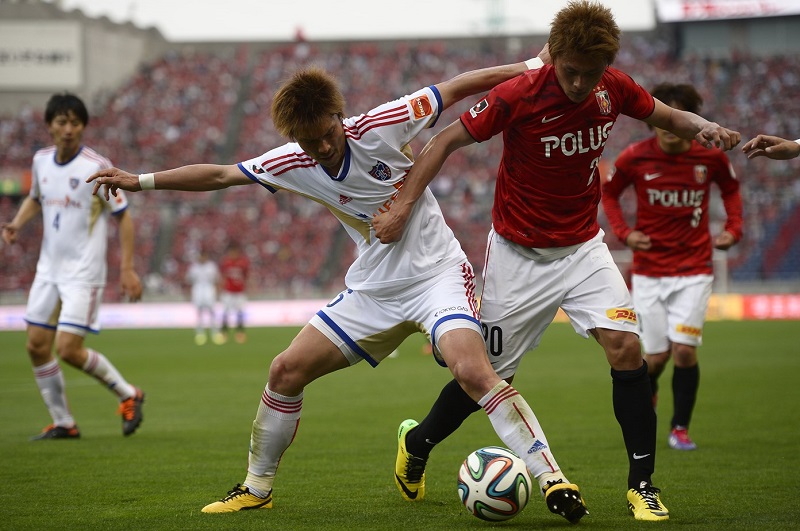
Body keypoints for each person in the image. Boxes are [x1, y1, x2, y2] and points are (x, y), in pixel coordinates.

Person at [88, 58, 588, 522]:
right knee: (284, 370)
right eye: (310, 142)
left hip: (437, 274)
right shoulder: (291, 162)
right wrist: (141, 181)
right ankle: (255, 488)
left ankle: (552, 477)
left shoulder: (384, 123)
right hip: (374, 288)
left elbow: (458, 87)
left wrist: (533, 65)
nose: (322, 148)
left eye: (327, 133)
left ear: (338, 115)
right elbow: (221, 174)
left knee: (473, 370)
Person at [373, 0, 741, 522]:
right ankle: (419, 443)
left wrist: (701, 125)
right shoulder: (519, 93)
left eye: (590, 74)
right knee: (484, 376)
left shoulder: (613, 85)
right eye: (571, 71)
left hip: (583, 248)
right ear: (554, 57)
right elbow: (448, 138)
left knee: (626, 348)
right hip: (519, 256)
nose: (580, 84)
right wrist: (405, 204)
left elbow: (664, 114)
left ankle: (642, 484)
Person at [601, 83, 743, 451]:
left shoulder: (709, 158)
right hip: (648, 271)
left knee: (683, 351)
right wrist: (625, 233)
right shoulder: (635, 158)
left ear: (689, 120)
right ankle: (651, 390)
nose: (666, 125)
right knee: (657, 357)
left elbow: (730, 189)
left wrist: (732, 229)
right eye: (662, 115)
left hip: (694, 267)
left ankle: (680, 427)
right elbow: (610, 193)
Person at [1, 92, 145, 440]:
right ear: (49, 126)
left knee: (67, 349)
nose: (69, 129)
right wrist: (18, 223)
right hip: (48, 269)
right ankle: (63, 421)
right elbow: (37, 198)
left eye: (75, 122)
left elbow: (123, 218)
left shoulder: (96, 167)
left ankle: (129, 394)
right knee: (36, 345)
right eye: (62, 122)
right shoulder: (40, 161)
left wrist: (127, 268)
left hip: (84, 273)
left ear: (83, 126)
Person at [186, 248, 224, 346]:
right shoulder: (194, 267)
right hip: (198, 289)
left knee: (212, 312)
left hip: (209, 289)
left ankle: (215, 333)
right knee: (199, 313)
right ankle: (200, 334)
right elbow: (189, 280)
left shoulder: (211, 266)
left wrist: (217, 291)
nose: (202, 258)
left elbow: (217, 279)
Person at [218, 241, 250, 344]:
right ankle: (224, 333)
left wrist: (248, 287)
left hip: (239, 292)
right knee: (225, 312)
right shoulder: (226, 263)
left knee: (240, 313)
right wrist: (220, 288)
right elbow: (223, 276)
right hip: (228, 292)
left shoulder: (243, 263)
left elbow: (246, 276)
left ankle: (240, 333)